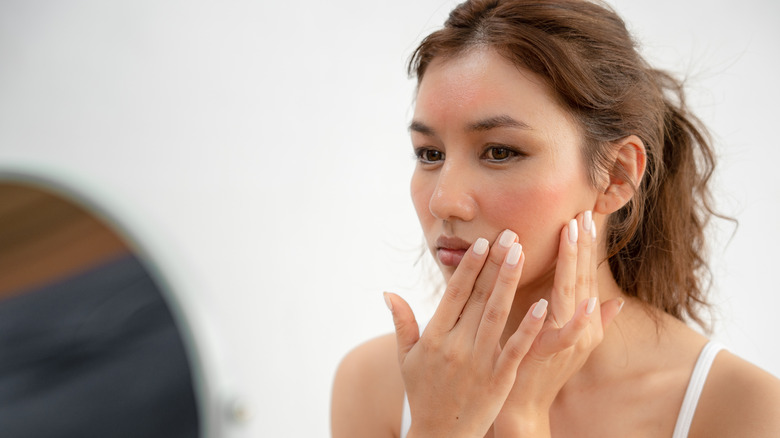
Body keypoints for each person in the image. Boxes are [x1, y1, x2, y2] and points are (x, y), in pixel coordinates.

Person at [331, 0, 780, 436]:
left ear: (616, 176)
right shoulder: (374, 386)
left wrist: (521, 419)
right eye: (430, 154)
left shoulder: (743, 409)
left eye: (500, 152)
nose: (444, 202)